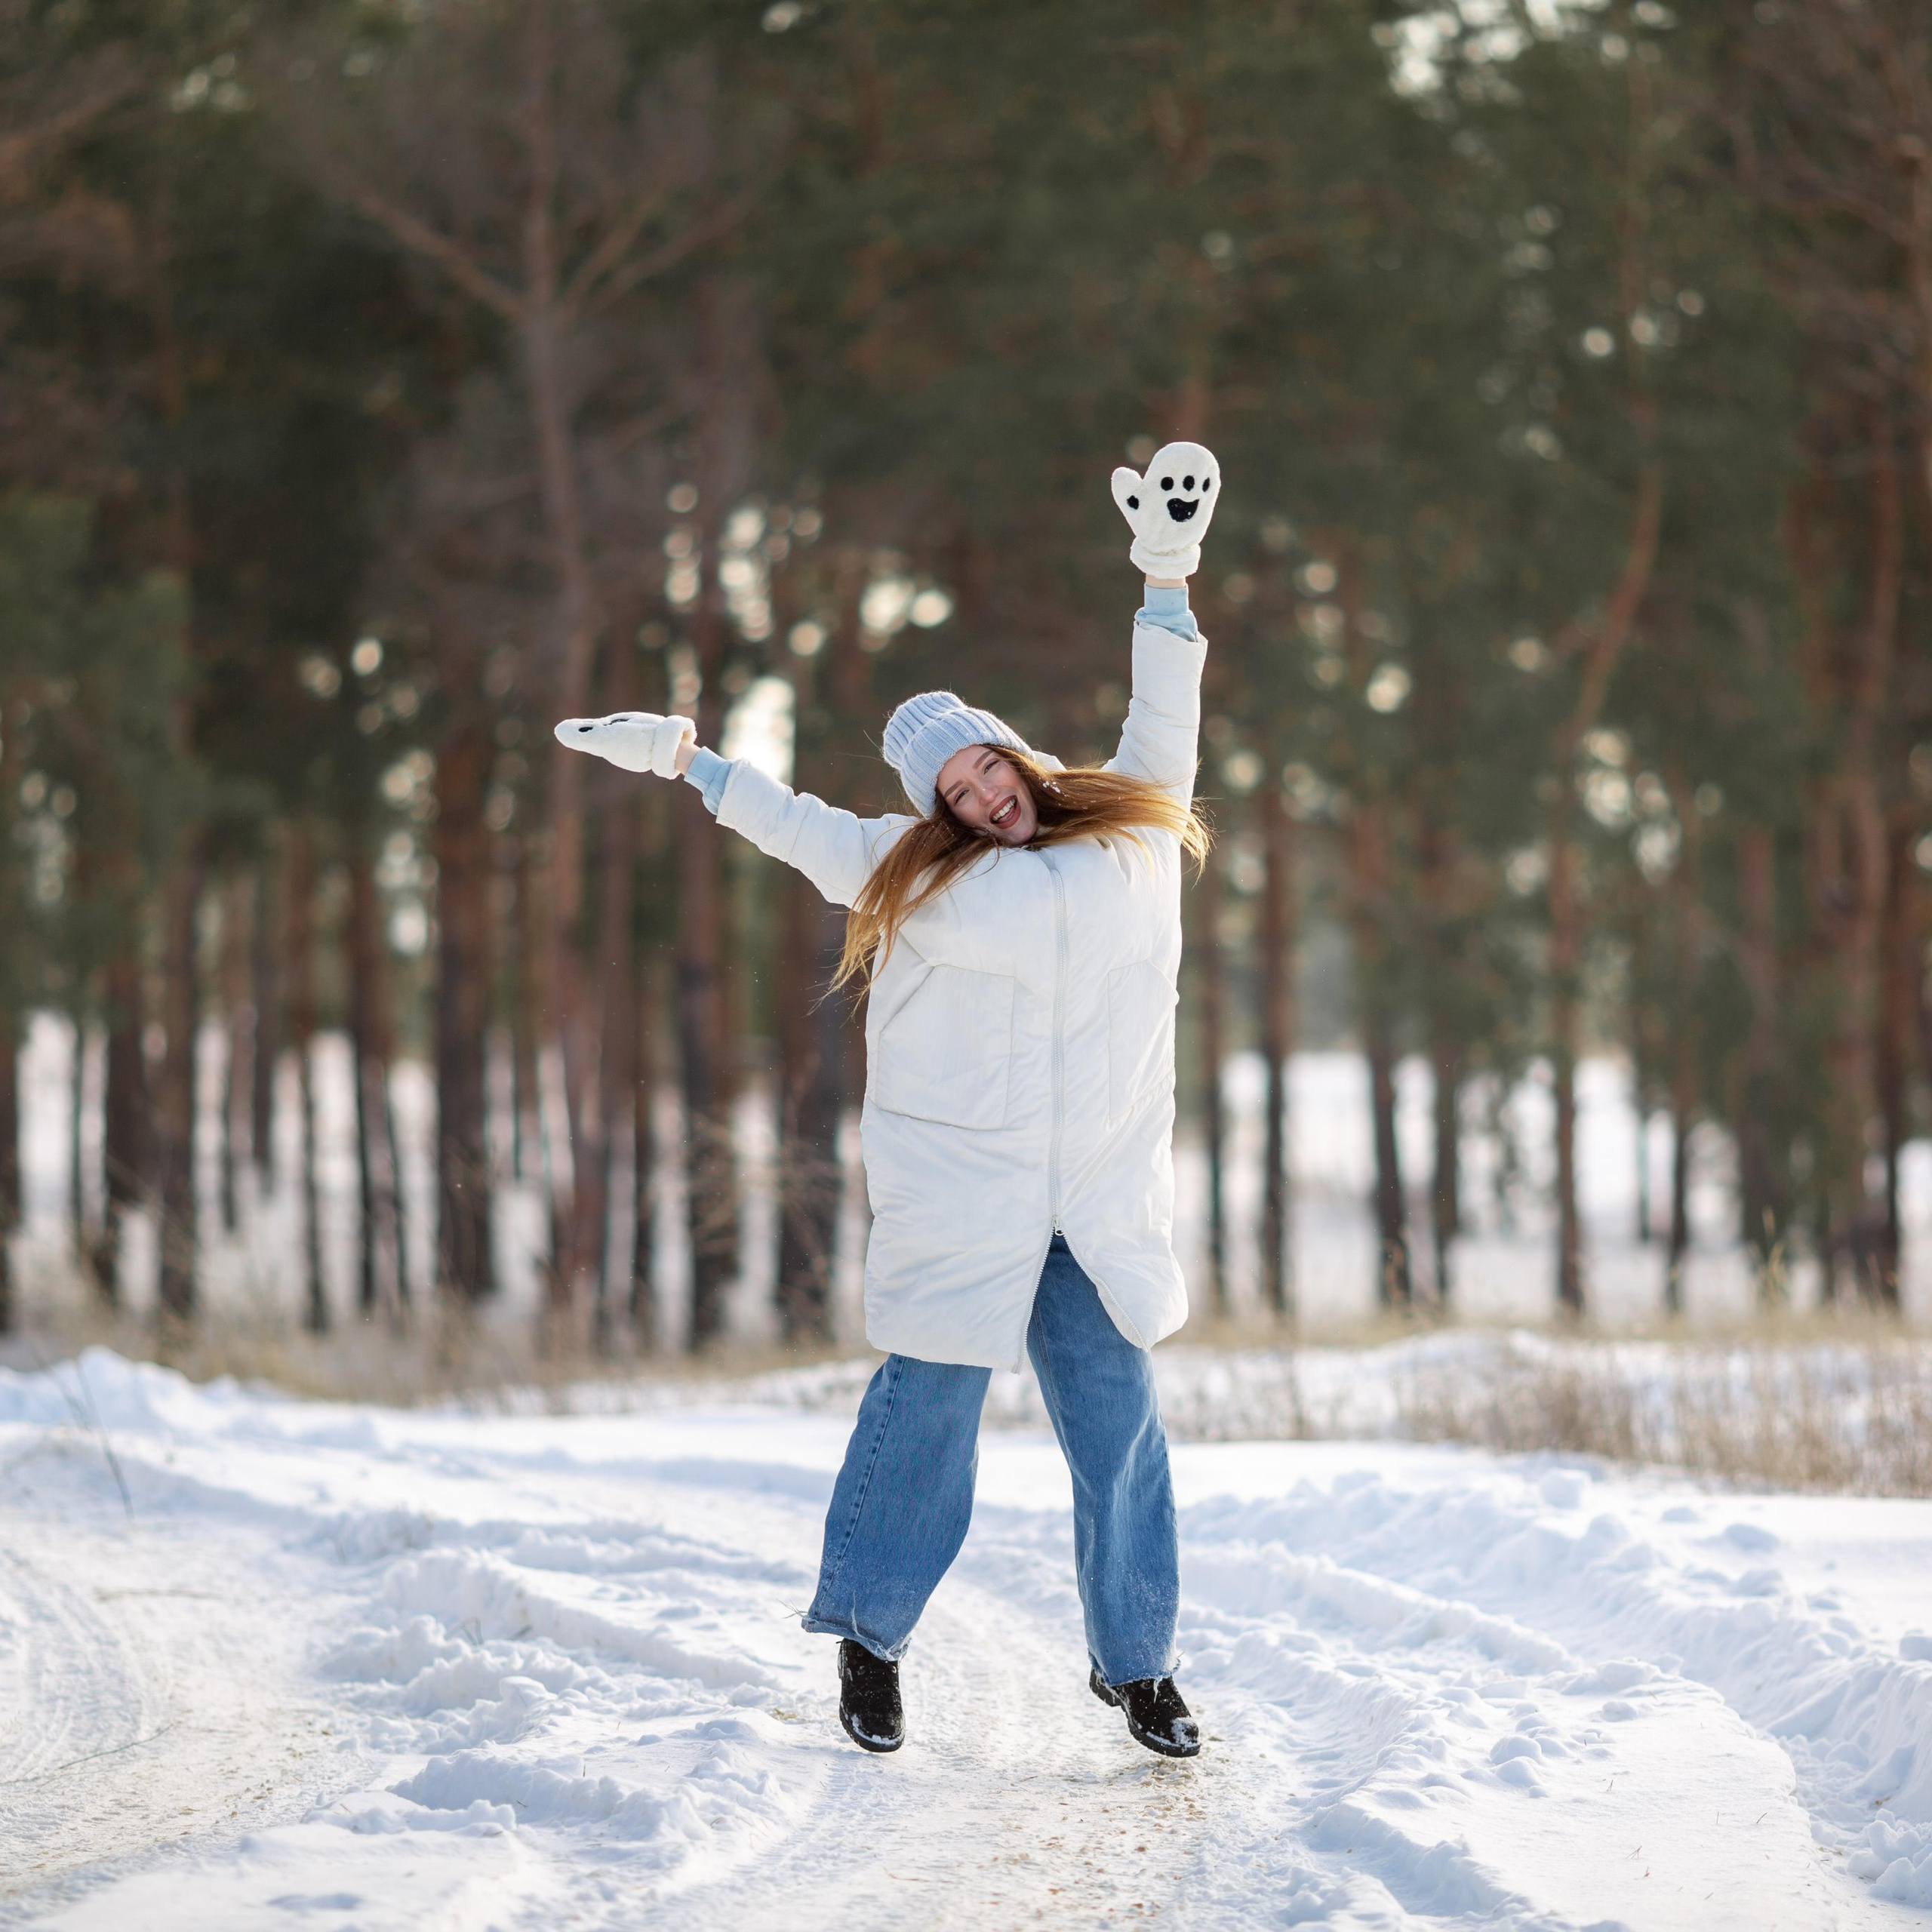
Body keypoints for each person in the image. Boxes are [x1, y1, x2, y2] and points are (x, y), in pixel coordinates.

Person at [555, 441, 1221, 1759]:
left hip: (1093, 1193)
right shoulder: (906, 876)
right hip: (968, 1193)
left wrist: (1165, 577)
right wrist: (686, 761)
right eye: (957, 791)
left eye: (990, 767)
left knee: (1119, 1430)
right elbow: (789, 818)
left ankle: (1137, 1668)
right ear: (943, 811)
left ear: (1020, 758)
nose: (984, 793)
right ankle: (871, 1647)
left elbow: (1167, 718)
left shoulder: (1137, 838)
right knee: (926, 1422)